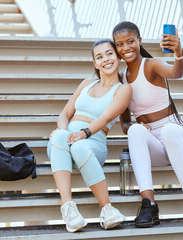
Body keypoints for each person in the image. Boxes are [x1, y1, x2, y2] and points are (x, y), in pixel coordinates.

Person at [112, 21, 183, 227]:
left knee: (170, 131)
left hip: (179, 137)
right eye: (119, 44)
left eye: (130, 41)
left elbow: (176, 73)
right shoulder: (121, 79)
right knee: (134, 130)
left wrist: (178, 52)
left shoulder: (151, 65)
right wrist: (136, 127)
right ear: (116, 49)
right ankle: (148, 205)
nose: (126, 48)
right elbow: (125, 123)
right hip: (154, 145)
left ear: (139, 41)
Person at [47, 39, 132, 232]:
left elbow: (105, 117)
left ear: (118, 57)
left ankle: (107, 209)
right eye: (99, 57)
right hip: (66, 143)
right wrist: (62, 130)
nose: (106, 60)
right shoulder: (86, 84)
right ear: (95, 63)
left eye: (109, 54)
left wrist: (83, 133)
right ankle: (68, 209)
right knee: (58, 137)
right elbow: (64, 114)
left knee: (79, 145)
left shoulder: (123, 89)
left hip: (93, 143)